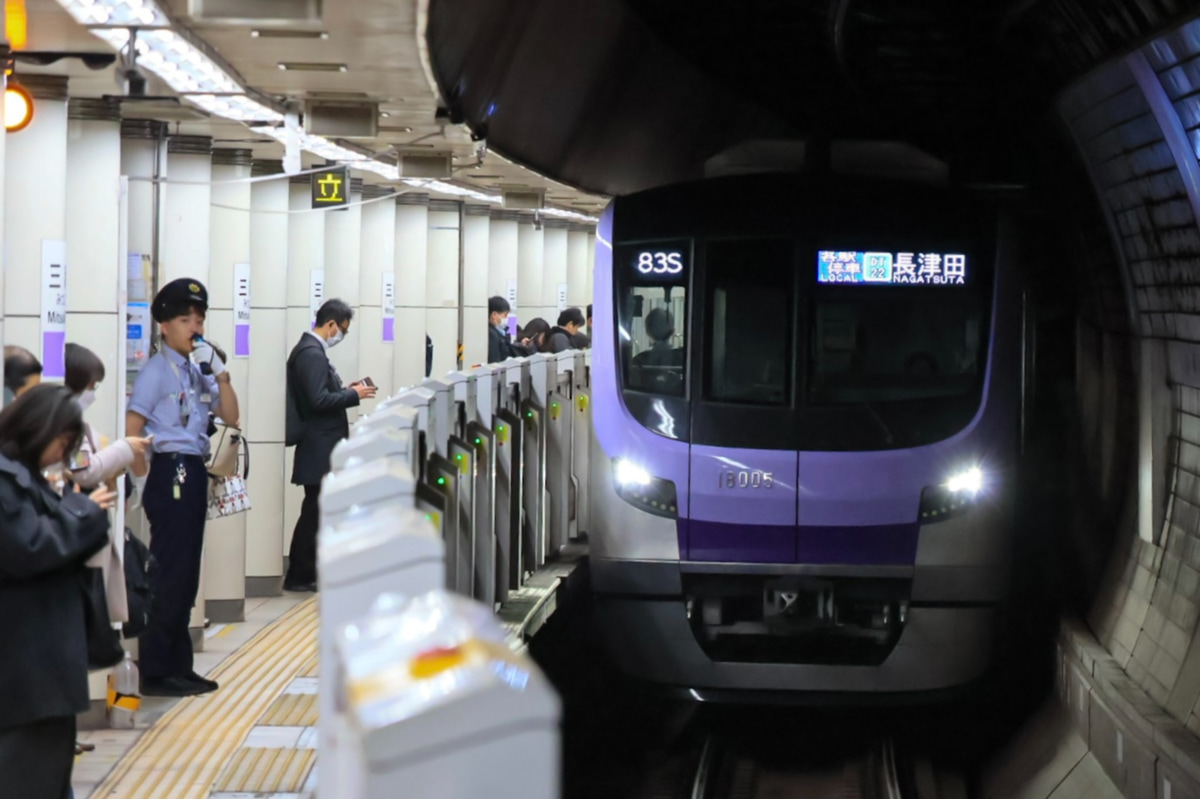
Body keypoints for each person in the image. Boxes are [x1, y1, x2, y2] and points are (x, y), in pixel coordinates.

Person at [0, 384, 116, 798]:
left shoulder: (21, 476)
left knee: (45, 775)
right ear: (38, 428)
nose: (63, 454)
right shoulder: (6, 481)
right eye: (63, 442)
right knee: (30, 777)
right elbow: (29, 547)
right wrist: (84, 512)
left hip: (36, 669)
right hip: (26, 671)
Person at [126, 278, 240, 697]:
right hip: (170, 471)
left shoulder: (196, 370)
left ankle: (179, 663)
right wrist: (142, 478)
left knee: (186, 572)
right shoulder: (157, 373)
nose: (196, 326)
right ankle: (156, 669)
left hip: (191, 470)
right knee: (170, 572)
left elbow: (232, 415)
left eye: (200, 319)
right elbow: (132, 429)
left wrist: (222, 374)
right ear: (163, 325)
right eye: (185, 319)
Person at [285, 299, 376, 592]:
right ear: (331, 325)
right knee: (314, 511)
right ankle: (300, 575)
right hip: (318, 445)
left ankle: (306, 572)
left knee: (317, 509)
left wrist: (347, 390)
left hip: (322, 445)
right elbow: (318, 400)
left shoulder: (311, 352)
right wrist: (353, 396)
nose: (342, 337)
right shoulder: (311, 353)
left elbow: (321, 393)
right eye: (343, 331)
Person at [487, 296, 527, 363]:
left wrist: (520, 345)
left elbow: (510, 343)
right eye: (505, 315)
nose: (506, 318)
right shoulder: (491, 333)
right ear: (494, 314)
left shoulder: (505, 327)